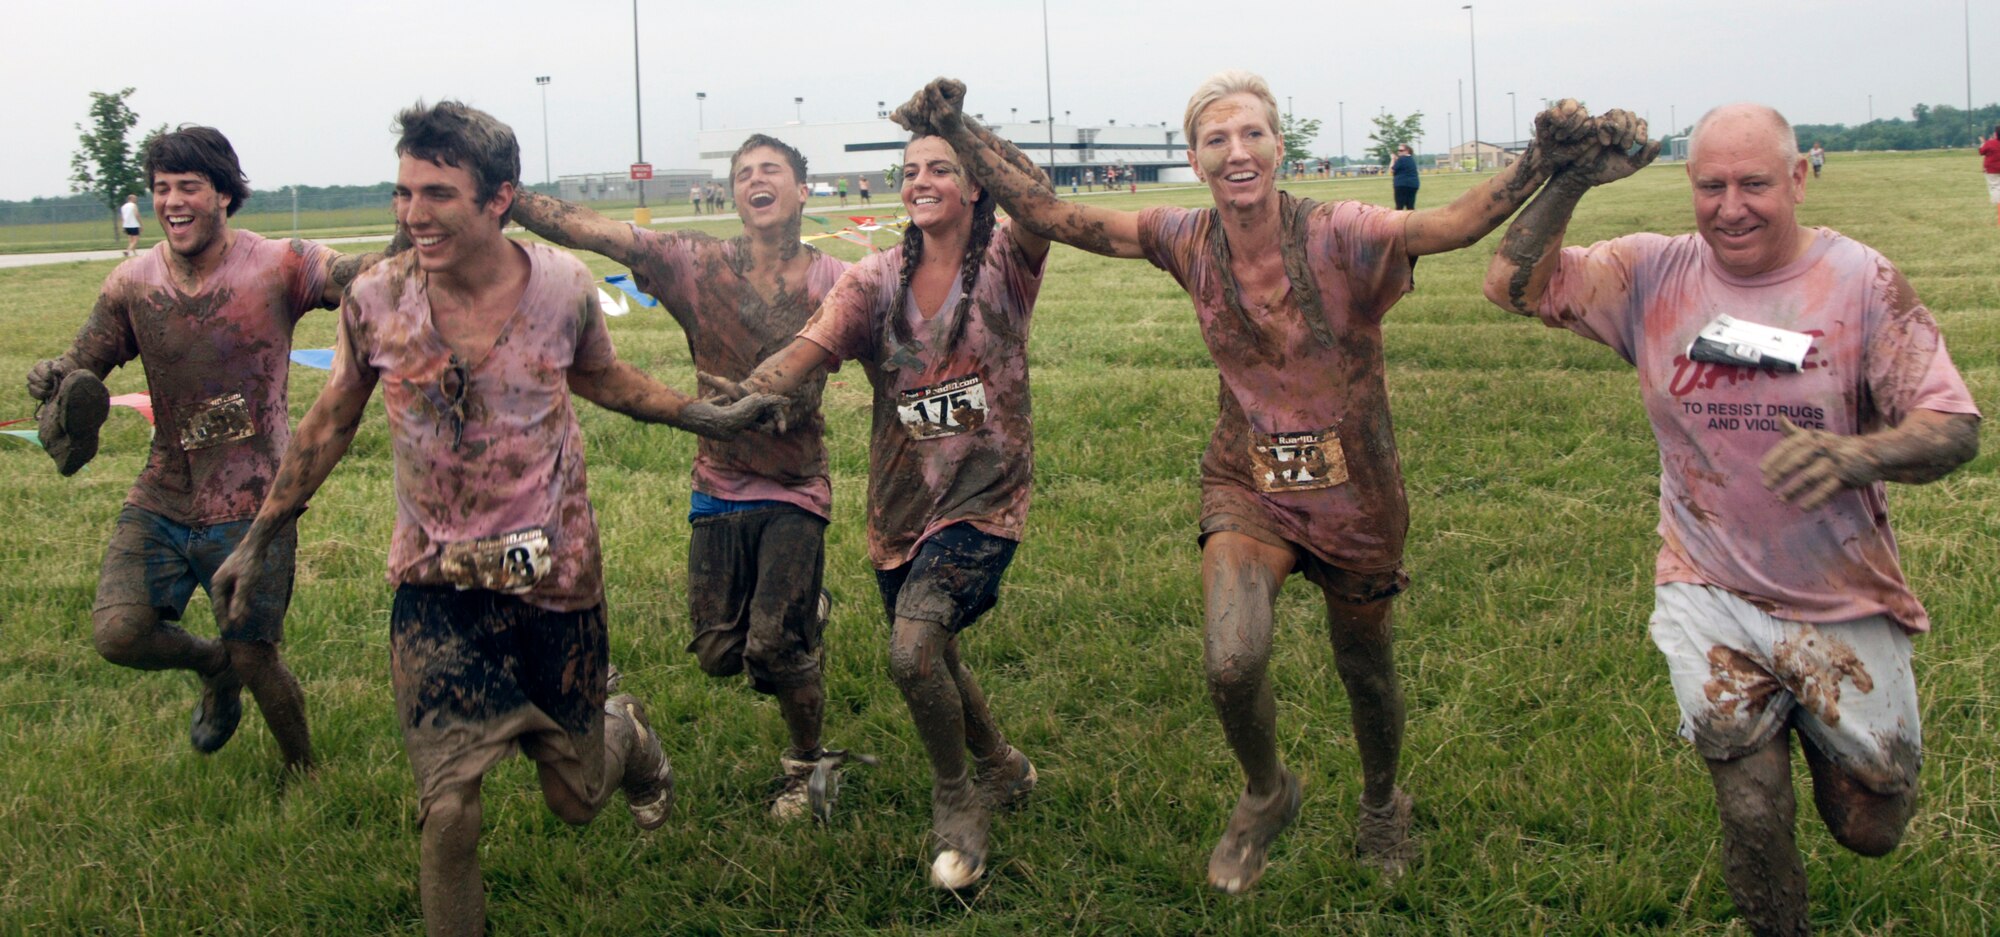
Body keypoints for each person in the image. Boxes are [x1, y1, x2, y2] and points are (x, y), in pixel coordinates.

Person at [892, 73, 1607, 894]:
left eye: (1253, 135)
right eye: (1217, 140)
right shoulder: (1184, 238)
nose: (1238, 153)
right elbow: (1054, 216)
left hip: (1356, 490)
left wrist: (1541, 165)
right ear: (1196, 159)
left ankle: (1382, 803)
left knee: (1365, 663)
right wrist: (958, 125)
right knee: (1232, 661)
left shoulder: (1340, 229)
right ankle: (1267, 791)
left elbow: (1447, 225)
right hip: (1248, 480)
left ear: (1278, 146)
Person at [209, 101, 784, 937]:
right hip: (435, 586)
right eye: (405, 192)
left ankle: (625, 738)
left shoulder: (561, 287)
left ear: (499, 198)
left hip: (557, 580)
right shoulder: (375, 298)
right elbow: (330, 419)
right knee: (448, 810)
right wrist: (260, 537)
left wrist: (705, 417)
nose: (413, 214)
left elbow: (606, 379)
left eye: (438, 193)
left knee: (576, 798)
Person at [1483, 102, 1980, 937]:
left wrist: (1859, 456)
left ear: (1798, 178)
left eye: (1754, 183)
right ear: (1689, 184)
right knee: (1750, 807)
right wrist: (1567, 182)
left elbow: (1953, 427)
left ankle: (1822, 734)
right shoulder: (1652, 272)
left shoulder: (1860, 280)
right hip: (1704, 579)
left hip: (1838, 590)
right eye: (1711, 185)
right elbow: (1512, 284)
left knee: (1870, 825)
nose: (1731, 205)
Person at [706, 123, 1051, 892]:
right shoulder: (872, 279)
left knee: (912, 650)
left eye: (941, 168)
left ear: (973, 185)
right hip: (900, 508)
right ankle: (1002, 763)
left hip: (985, 498)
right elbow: (807, 348)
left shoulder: (1006, 260)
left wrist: (967, 127)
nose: (920, 180)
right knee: (931, 645)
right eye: (910, 170)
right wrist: (745, 397)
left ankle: (957, 795)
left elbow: (1037, 199)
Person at [508, 133, 860, 821]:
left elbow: (895, 327)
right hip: (718, 482)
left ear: (802, 190)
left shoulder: (836, 281)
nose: (757, 180)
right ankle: (804, 615)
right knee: (719, 654)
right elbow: (598, 231)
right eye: (744, 173)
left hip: (796, 486)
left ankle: (806, 761)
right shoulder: (695, 263)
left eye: (773, 171)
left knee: (774, 648)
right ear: (734, 194)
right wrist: (505, 195)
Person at [25, 126, 396, 774]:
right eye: (161, 188)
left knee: (257, 652)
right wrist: (52, 381)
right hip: (165, 490)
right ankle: (212, 665)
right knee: (119, 632)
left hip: (254, 499)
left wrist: (412, 245)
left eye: (187, 186)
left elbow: (354, 276)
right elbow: (81, 365)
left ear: (224, 193)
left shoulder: (280, 263)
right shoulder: (131, 283)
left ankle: (303, 770)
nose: (171, 200)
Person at [1980, 125, 2000, 227]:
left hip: (1992, 170)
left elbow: (1981, 151)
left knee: (1995, 188)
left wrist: (1983, 142)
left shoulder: (1990, 143)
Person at [1391, 144, 1419, 210]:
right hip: (1413, 185)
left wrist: (1392, 159)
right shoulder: (1411, 160)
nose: (1399, 152)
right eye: (1398, 150)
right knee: (1410, 207)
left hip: (1401, 185)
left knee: (1399, 207)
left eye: (1401, 150)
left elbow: (1392, 170)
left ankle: (1398, 220)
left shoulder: (1401, 159)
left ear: (1407, 151)